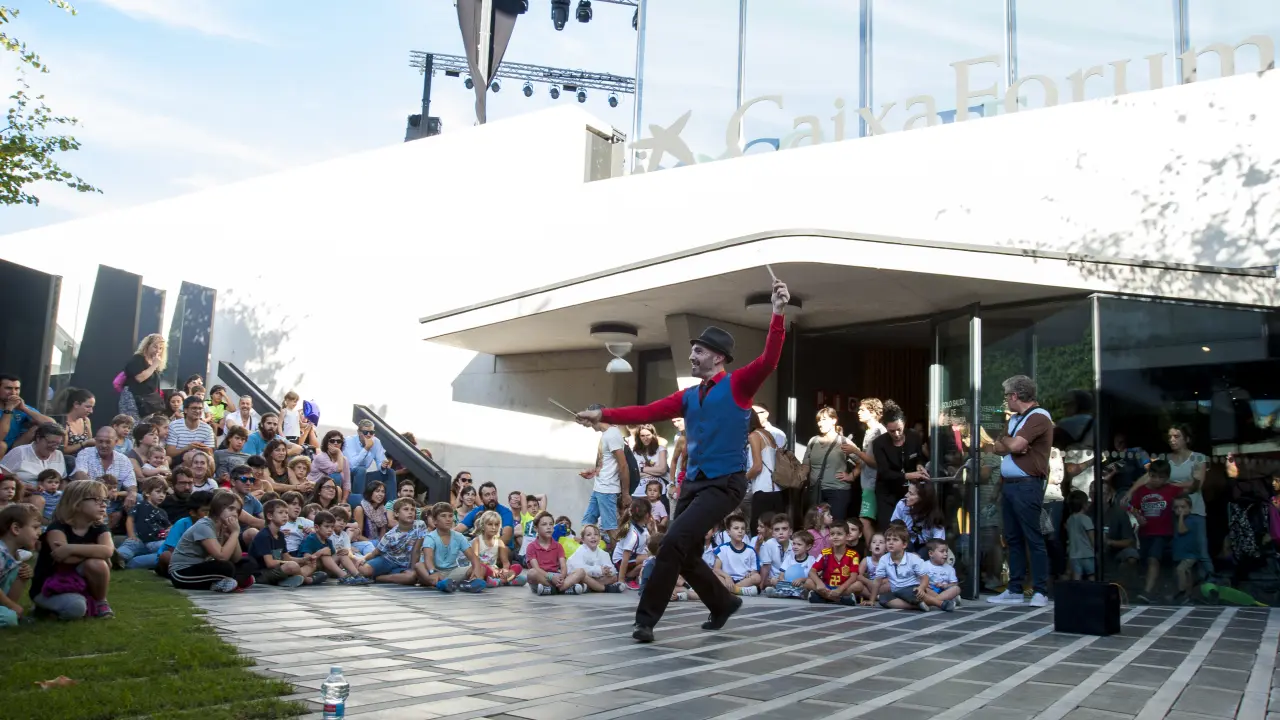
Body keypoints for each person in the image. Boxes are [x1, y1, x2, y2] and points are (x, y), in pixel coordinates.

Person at [576, 277, 789, 643]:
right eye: (692, 351)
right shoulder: (688, 396)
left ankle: (645, 621)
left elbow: (769, 359)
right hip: (693, 483)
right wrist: (604, 414)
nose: (692, 356)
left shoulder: (738, 385)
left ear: (718, 357)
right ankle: (722, 603)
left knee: (672, 541)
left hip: (725, 483)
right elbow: (646, 411)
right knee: (682, 550)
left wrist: (778, 312)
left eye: (698, 351)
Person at [983, 375, 1054, 608]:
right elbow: (997, 447)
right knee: (1012, 538)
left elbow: (1013, 445)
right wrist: (1010, 442)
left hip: (1028, 484)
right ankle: (1015, 588)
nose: (1005, 400)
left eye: (1006, 396)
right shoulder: (1015, 419)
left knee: (1033, 537)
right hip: (1010, 485)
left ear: (1015, 396)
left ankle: (1040, 590)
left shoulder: (1039, 416)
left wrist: (1010, 443)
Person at [30, 480, 116, 618]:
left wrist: (70, 548)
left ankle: (101, 602)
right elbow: (66, 559)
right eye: (97, 500)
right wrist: (96, 551)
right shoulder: (57, 528)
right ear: (76, 503)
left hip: (77, 581)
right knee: (77, 608)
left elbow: (108, 551)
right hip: (49, 587)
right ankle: (44, 607)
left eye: (105, 500)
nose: (104, 504)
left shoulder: (100, 527)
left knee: (97, 564)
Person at [167, 490, 256, 592]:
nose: (235, 514)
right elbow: (222, 557)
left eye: (237, 511)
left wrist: (232, 535)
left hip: (204, 567)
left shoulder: (223, 526)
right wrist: (235, 532)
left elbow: (236, 558)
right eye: (231, 509)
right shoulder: (204, 525)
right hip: (183, 572)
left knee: (248, 561)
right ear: (217, 508)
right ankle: (230, 582)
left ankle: (229, 582)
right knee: (226, 567)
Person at [871, 401, 927, 534]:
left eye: (899, 429)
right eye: (891, 431)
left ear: (904, 423)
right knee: (887, 528)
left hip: (909, 492)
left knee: (910, 527)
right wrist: (908, 475)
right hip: (887, 492)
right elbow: (884, 472)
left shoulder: (914, 437)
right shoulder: (879, 443)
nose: (896, 434)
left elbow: (919, 456)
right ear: (885, 427)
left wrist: (919, 465)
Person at [250, 499, 326, 588]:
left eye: (286, 513)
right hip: (261, 574)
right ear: (270, 516)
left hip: (277, 570)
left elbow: (287, 557)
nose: (285, 515)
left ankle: (287, 579)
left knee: (310, 565)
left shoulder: (280, 535)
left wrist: (304, 560)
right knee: (292, 566)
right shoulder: (264, 536)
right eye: (281, 512)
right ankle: (307, 580)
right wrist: (291, 563)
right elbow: (270, 563)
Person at [578, 408, 628, 537]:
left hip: (607, 489)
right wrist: (594, 472)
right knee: (587, 523)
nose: (588, 424)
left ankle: (618, 551)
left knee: (610, 528)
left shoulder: (612, 434)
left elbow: (623, 465)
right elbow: (608, 463)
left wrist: (625, 493)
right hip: (600, 487)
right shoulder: (606, 434)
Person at [416, 502, 485, 592]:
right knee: (419, 566)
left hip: (452, 571)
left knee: (481, 568)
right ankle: (439, 584)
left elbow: (473, 557)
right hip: (434, 571)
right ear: (435, 521)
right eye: (443, 516)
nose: (448, 519)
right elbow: (428, 559)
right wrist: (433, 571)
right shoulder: (430, 537)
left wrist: (476, 569)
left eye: (450, 516)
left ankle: (470, 584)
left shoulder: (459, 536)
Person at [356, 498, 424, 586]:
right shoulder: (390, 535)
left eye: (412, 510)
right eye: (406, 509)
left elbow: (416, 550)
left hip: (403, 565)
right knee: (365, 571)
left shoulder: (420, 525)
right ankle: (355, 560)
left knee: (411, 577)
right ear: (396, 513)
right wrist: (364, 559)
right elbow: (376, 552)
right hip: (387, 560)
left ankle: (379, 578)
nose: (410, 512)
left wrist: (413, 570)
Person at [871, 524, 930, 612]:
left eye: (895, 540)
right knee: (883, 599)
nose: (890, 542)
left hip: (912, 590)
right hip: (897, 592)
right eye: (888, 540)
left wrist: (921, 588)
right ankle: (917, 606)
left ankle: (938, 603)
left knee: (913, 593)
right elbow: (877, 581)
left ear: (904, 544)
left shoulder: (912, 558)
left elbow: (925, 577)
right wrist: (871, 600)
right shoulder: (884, 559)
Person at [525, 511, 585, 595]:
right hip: (542, 577)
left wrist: (562, 577)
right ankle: (564, 589)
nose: (548, 527)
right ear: (536, 528)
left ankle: (553, 589)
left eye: (551, 524)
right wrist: (551, 577)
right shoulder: (531, 547)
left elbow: (563, 566)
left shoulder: (558, 546)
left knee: (581, 571)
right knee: (532, 573)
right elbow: (536, 568)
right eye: (544, 524)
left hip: (557, 576)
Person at [117, 477, 171, 569]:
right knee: (130, 545)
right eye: (158, 492)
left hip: (155, 542)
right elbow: (130, 519)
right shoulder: (140, 505)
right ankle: (119, 558)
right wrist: (131, 535)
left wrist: (169, 530)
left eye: (164, 493)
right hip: (139, 540)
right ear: (147, 493)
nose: (162, 495)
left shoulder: (162, 512)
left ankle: (132, 563)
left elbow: (168, 526)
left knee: (165, 546)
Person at [807, 521, 865, 606]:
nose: (835, 537)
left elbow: (853, 576)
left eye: (839, 534)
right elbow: (812, 571)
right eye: (832, 534)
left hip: (843, 588)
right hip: (826, 587)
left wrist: (840, 589)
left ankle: (825, 597)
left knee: (859, 585)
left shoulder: (853, 555)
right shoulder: (824, 552)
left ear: (847, 536)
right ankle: (839, 599)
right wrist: (819, 583)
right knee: (808, 582)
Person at [0, 503, 39, 627]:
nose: (39, 533)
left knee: (21, 570)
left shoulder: (16, 555)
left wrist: (22, 578)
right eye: (35, 527)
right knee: (9, 618)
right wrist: (12, 606)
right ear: (16, 529)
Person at [342, 420, 395, 508]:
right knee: (361, 470)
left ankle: (391, 507)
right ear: (359, 432)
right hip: (349, 476)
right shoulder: (349, 441)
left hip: (363, 476)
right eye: (366, 432)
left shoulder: (376, 441)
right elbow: (352, 465)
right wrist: (366, 448)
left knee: (390, 472)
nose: (369, 435)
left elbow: (381, 460)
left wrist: (383, 465)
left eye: (372, 432)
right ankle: (360, 504)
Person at [0, 421, 65, 489]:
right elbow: (3, 478)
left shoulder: (58, 455)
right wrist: (22, 487)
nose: (54, 447)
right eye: (51, 442)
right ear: (38, 438)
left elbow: (63, 480)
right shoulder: (20, 452)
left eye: (58, 444)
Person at [1, 373, 55, 451]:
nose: (13, 392)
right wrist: (8, 409)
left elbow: (52, 425)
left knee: (38, 427)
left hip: (14, 448)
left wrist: (24, 409)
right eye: (8, 388)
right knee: (2, 445)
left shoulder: (20, 407)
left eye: (16, 389)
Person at [711, 513, 761, 596]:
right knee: (715, 575)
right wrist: (727, 577)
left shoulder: (751, 550)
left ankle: (732, 590)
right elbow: (716, 569)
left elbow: (754, 570)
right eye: (736, 528)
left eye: (743, 528)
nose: (740, 531)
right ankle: (739, 590)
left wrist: (751, 573)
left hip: (743, 580)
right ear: (728, 532)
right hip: (726, 580)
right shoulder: (722, 549)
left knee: (757, 577)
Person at [119, 335, 167, 420]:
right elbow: (140, 378)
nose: (158, 350)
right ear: (147, 346)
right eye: (155, 347)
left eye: (160, 348)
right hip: (133, 398)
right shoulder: (137, 359)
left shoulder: (153, 362)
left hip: (147, 402)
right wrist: (154, 365)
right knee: (132, 424)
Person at [567, 523, 622, 592]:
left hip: (595, 578)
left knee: (614, 577)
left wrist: (608, 571)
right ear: (583, 540)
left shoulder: (604, 553)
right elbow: (579, 569)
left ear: (599, 538)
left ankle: (589, 587)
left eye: (596, 534)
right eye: (589, 535)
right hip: (579, 576)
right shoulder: (581, 551)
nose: (593, 537)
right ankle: (603, 588)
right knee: (583, 576)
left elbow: (612, 569)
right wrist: (599, 570)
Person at [920, 539, 961, 611]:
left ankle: (930, 602)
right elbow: (918, 579)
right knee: (922, 589)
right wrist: (924, 584)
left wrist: (945, 586)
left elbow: (954, 583)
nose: (945, 554)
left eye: (946, 551)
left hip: (944, 591)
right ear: (931, 554)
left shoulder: (949, 568)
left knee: (956, 589)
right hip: (930, 591)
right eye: (942, 551)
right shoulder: (924, 565)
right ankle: (948, 600)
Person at [1065, 490, 1096, 581]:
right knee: (1091, 576)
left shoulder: (1069, 520)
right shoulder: (1086, 519)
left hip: (1074, 555)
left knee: (1077, 578)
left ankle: (1076, 590)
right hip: (1087, 554)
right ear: (1084, 505)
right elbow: (1092, 538)